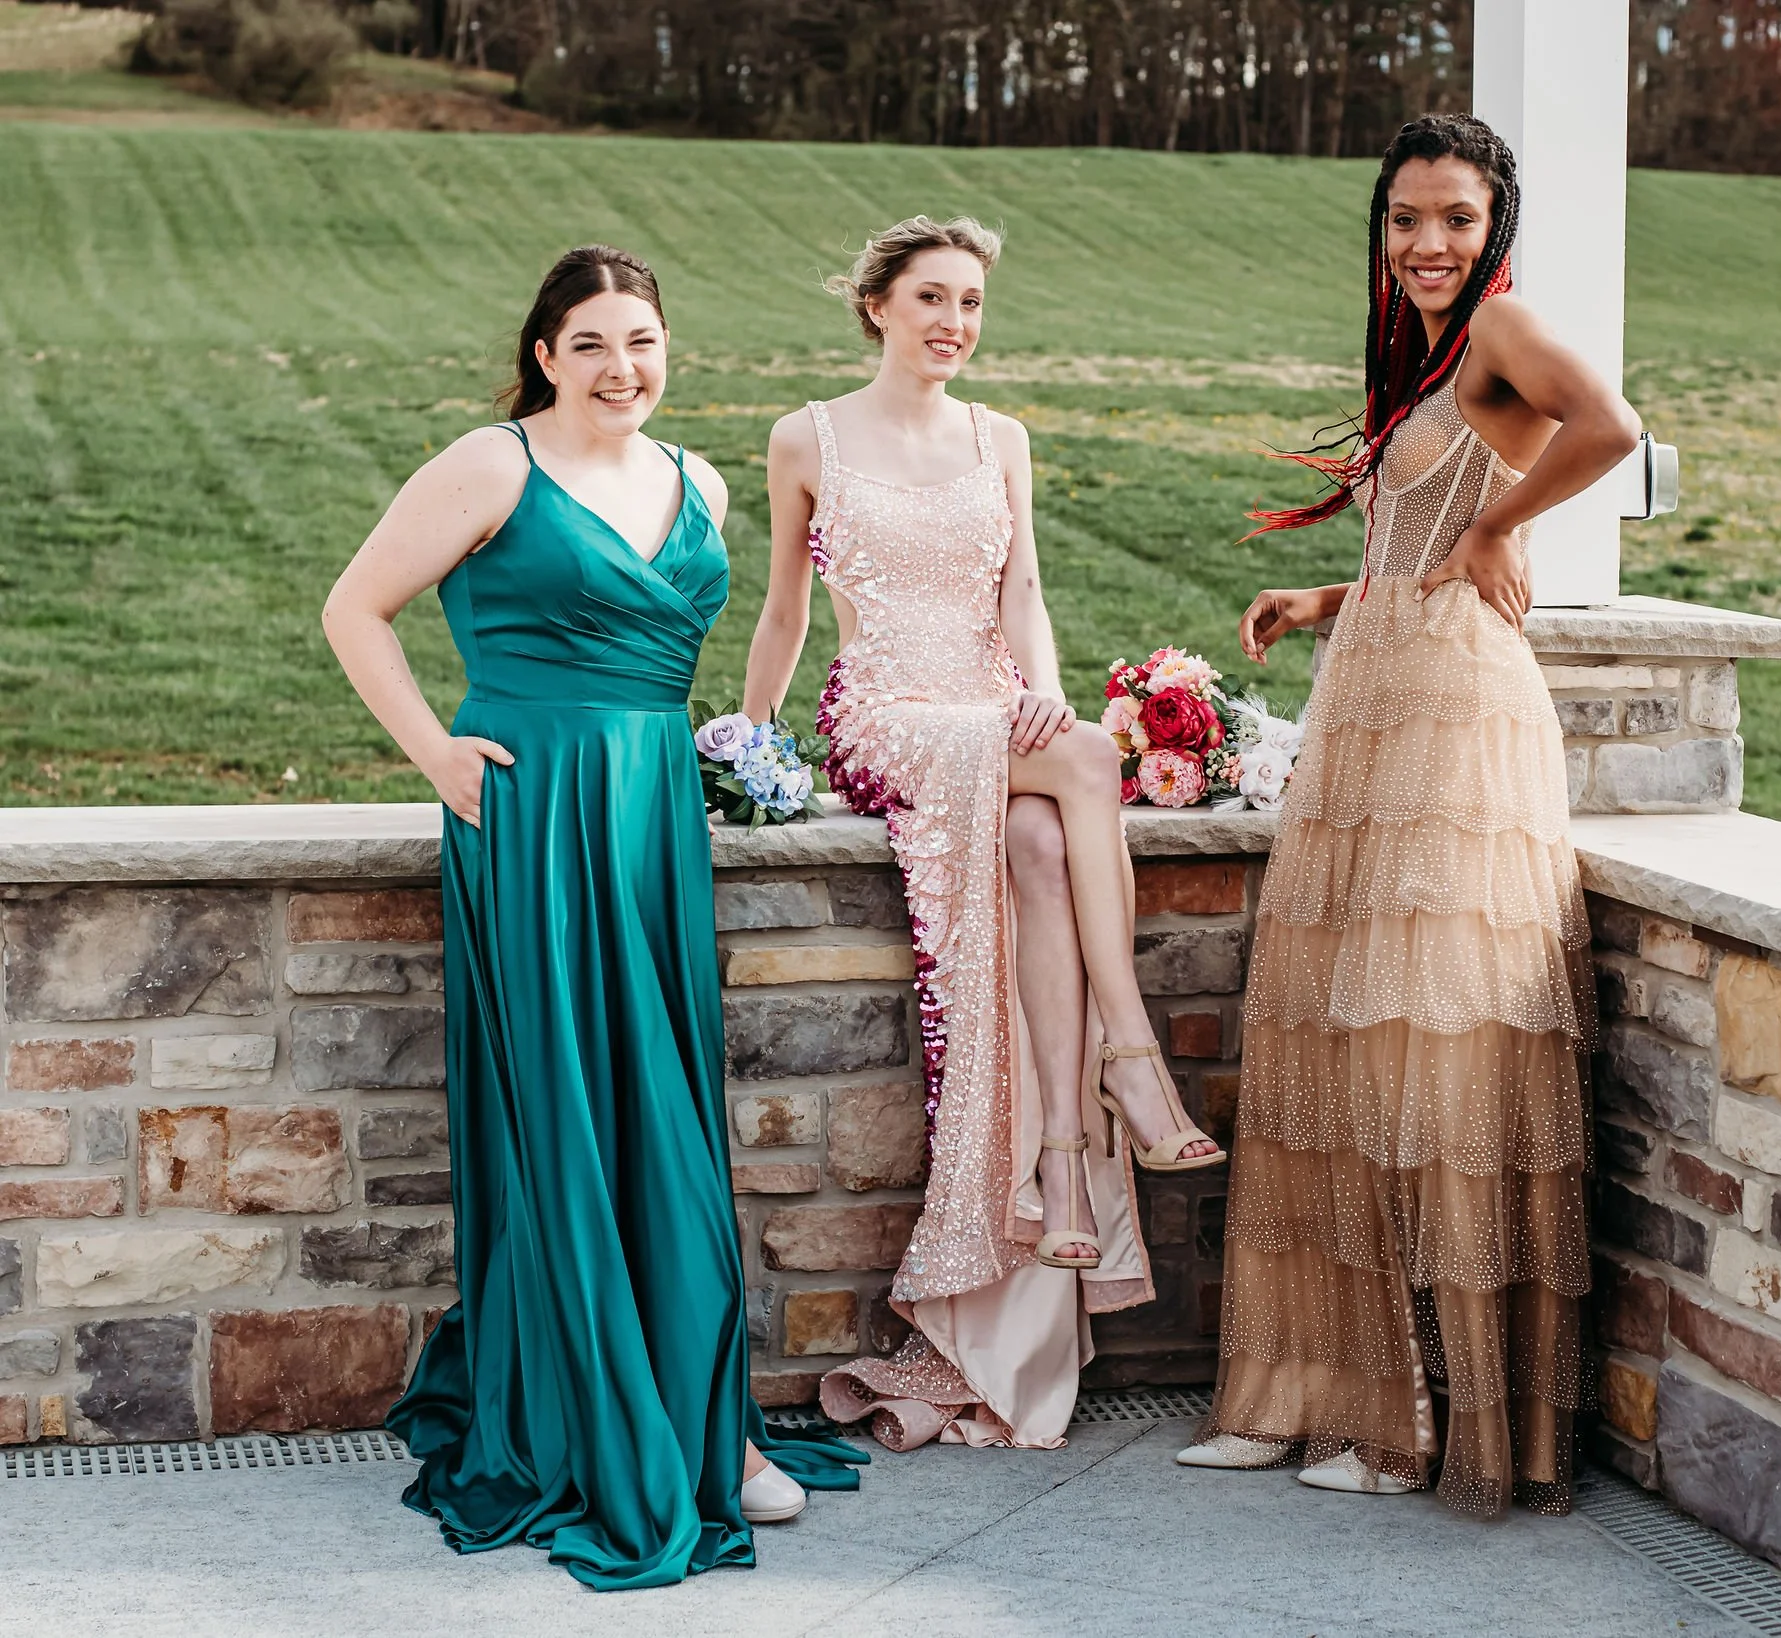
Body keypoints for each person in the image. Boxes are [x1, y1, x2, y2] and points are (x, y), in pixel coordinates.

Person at [322, 244, 864, 1591]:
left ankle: (708, 1424)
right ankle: (624, 1424)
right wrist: (434, 755)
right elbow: (355, 608)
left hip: (650, 821)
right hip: (533, 817)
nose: (624, 367)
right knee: (570, 1118)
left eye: (644, 340)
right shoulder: (491, 465)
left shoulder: (704, 482)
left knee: (670, 1122)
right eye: (594, 343)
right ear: (547, 353)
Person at [1178, 114, 1641, 1514]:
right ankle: (1305, 1390)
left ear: (1493, 225)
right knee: (1322, 1028)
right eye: (1404, 219)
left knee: (1419, 1048)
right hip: (1372, 687)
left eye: (1453, 216)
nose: (1427, 243)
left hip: (1454, 715)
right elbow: (1415, 533)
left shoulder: (1503, 328)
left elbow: (1611, 426)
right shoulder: (1430, 361)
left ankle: (1410, 1416)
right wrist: (1325, 594)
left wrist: (1502, 531)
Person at [737, 214, 1223, 1451]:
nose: (954, 323)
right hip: (886, 710)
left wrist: (1041, 688)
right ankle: (1131, 1054)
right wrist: (747, 742)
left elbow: (1023, 592)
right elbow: (787, 608)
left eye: (971, 305)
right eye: (932, 299)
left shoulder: (999, 437)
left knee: (1046, 846)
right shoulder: (806, 436)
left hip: (990, 703)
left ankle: (1060, 1157)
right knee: (1078, 758)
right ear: (877, 306)